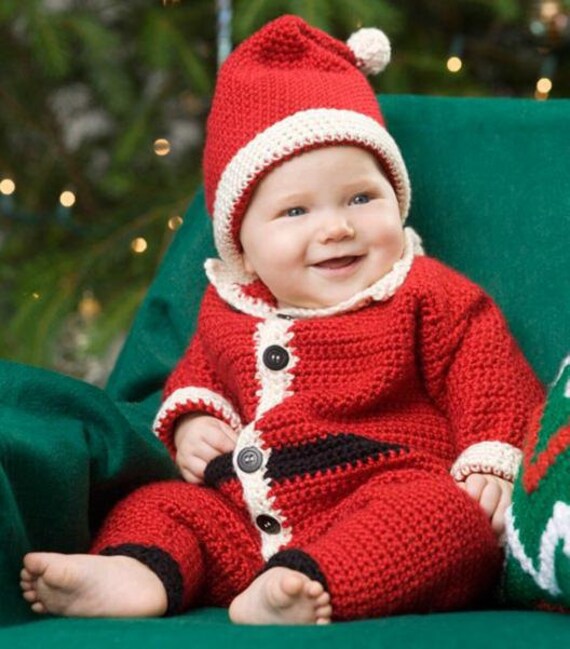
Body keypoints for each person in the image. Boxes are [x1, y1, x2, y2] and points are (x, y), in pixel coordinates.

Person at [20, 15, 544, 625]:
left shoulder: (427, 294)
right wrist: (194, 420)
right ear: (241, 245)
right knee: (162, 503)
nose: (336, 227)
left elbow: (489, 377)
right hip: (243, 520)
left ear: (395, 199)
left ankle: (310, 587)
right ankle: (137, 572)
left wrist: (490, 460)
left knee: (448, 521)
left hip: (381, 493)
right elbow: (200, 376)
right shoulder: (232, 308)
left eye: (361, 197)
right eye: (295, 210)